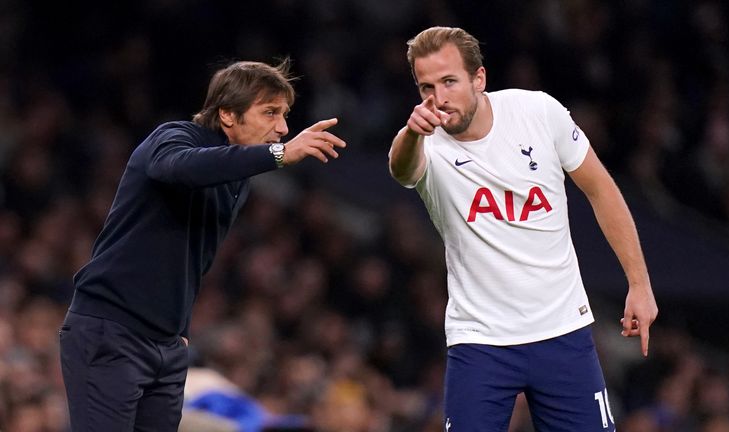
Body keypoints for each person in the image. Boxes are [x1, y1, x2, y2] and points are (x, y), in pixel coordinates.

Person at [388, 27, 658, 431]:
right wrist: (412, 132)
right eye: (427, 86)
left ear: (479, 79)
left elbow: (601, 189)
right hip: (480, 341)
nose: (438, 98)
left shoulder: (538, 113)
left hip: (563, 329)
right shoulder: (423, 143)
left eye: (449, 82)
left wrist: (639, 284)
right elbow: (401, 167)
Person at [59, 60, 346, 432]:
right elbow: (177, 168)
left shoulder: (238, 178)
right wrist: (279, 155)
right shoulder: (174, 137)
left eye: (285, 114)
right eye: (270, 112)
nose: (284, 128)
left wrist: (175, 329)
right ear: (227, 114)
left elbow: (194, 256)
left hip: (166, 346)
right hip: (112, 331)